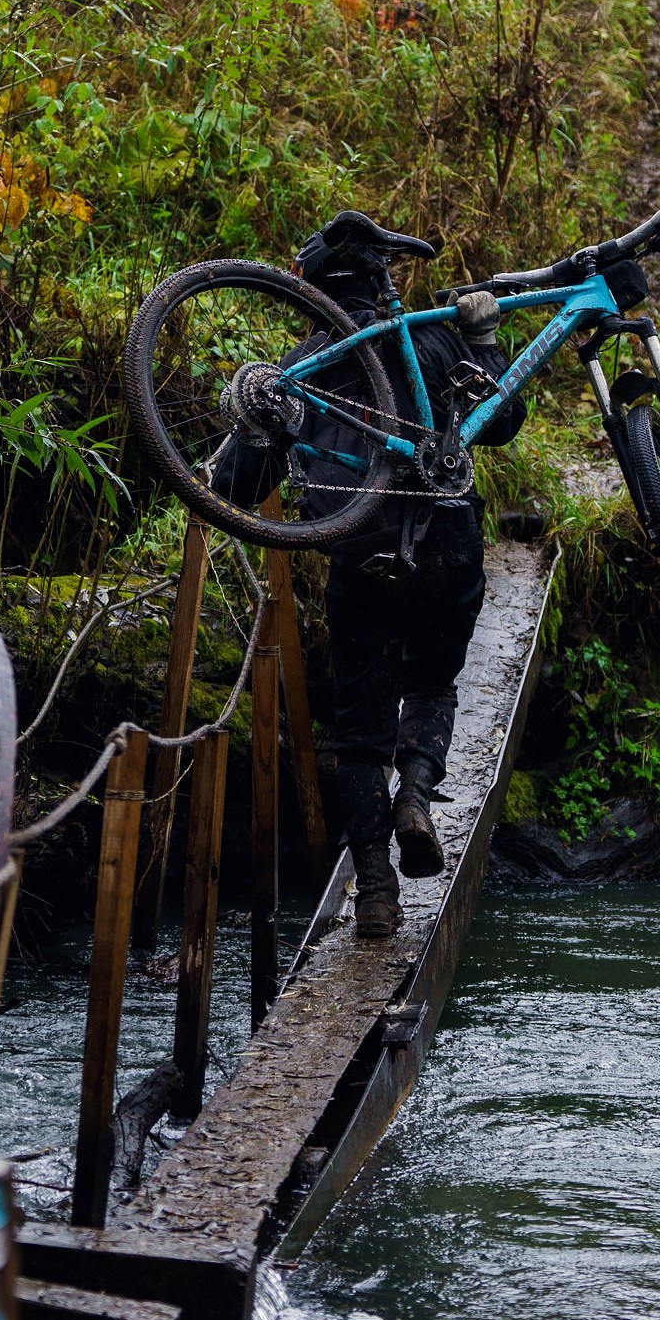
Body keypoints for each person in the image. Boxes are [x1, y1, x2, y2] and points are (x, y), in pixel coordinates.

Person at [217, 211, 525, 941]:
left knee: (359, 736)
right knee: (433, 683)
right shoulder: (434, 335)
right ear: (382, 279)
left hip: (358, 555)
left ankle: (378, 894)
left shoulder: (301, 366)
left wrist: (252, 423)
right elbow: (505, 421)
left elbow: (234, 485)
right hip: (447, 543)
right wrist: (483, 340)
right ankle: (417, 791)